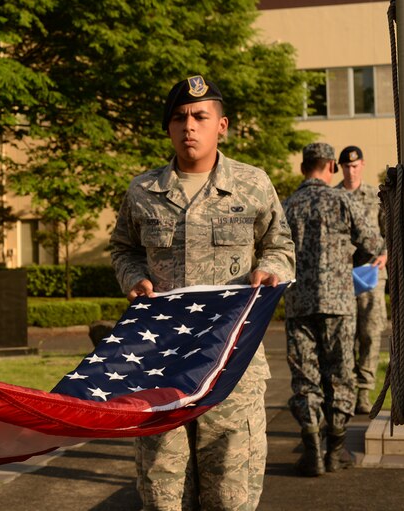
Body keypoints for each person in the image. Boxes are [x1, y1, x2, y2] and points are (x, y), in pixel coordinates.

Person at [109, 75, 295, 511]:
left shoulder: (252, 184)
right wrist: (133, 277)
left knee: (230, 498)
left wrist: (269, 269)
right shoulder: (144, 191)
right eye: (179, 118)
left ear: (222, 125)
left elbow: (281, 245)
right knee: (162, 496)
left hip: (232, 364)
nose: (189, 126)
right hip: (161, 366)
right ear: (168, 128)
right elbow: (122, 248)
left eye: (199, 116)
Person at [283, 143, 382, 477]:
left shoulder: (288, 206)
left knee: (305, 378)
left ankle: (313, 453)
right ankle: (335, 453)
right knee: (340, 377)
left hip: (299, 306)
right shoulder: (343, 201)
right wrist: (346, 264)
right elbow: (373, 244)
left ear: (302, 168)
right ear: (331, 167)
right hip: (339, 303)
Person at [335, 145, 388, 414]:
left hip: (371, 273)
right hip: (341, 277)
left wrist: (386, 255)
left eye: (355, 166)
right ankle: (346, 391)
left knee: (369, 333)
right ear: (340, 167)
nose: (351, 170)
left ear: (362, 165)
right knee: (346, 336)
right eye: (346, 166)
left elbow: (388, 230)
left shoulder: (373, 195)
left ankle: (364, 392)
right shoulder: (331, 197)